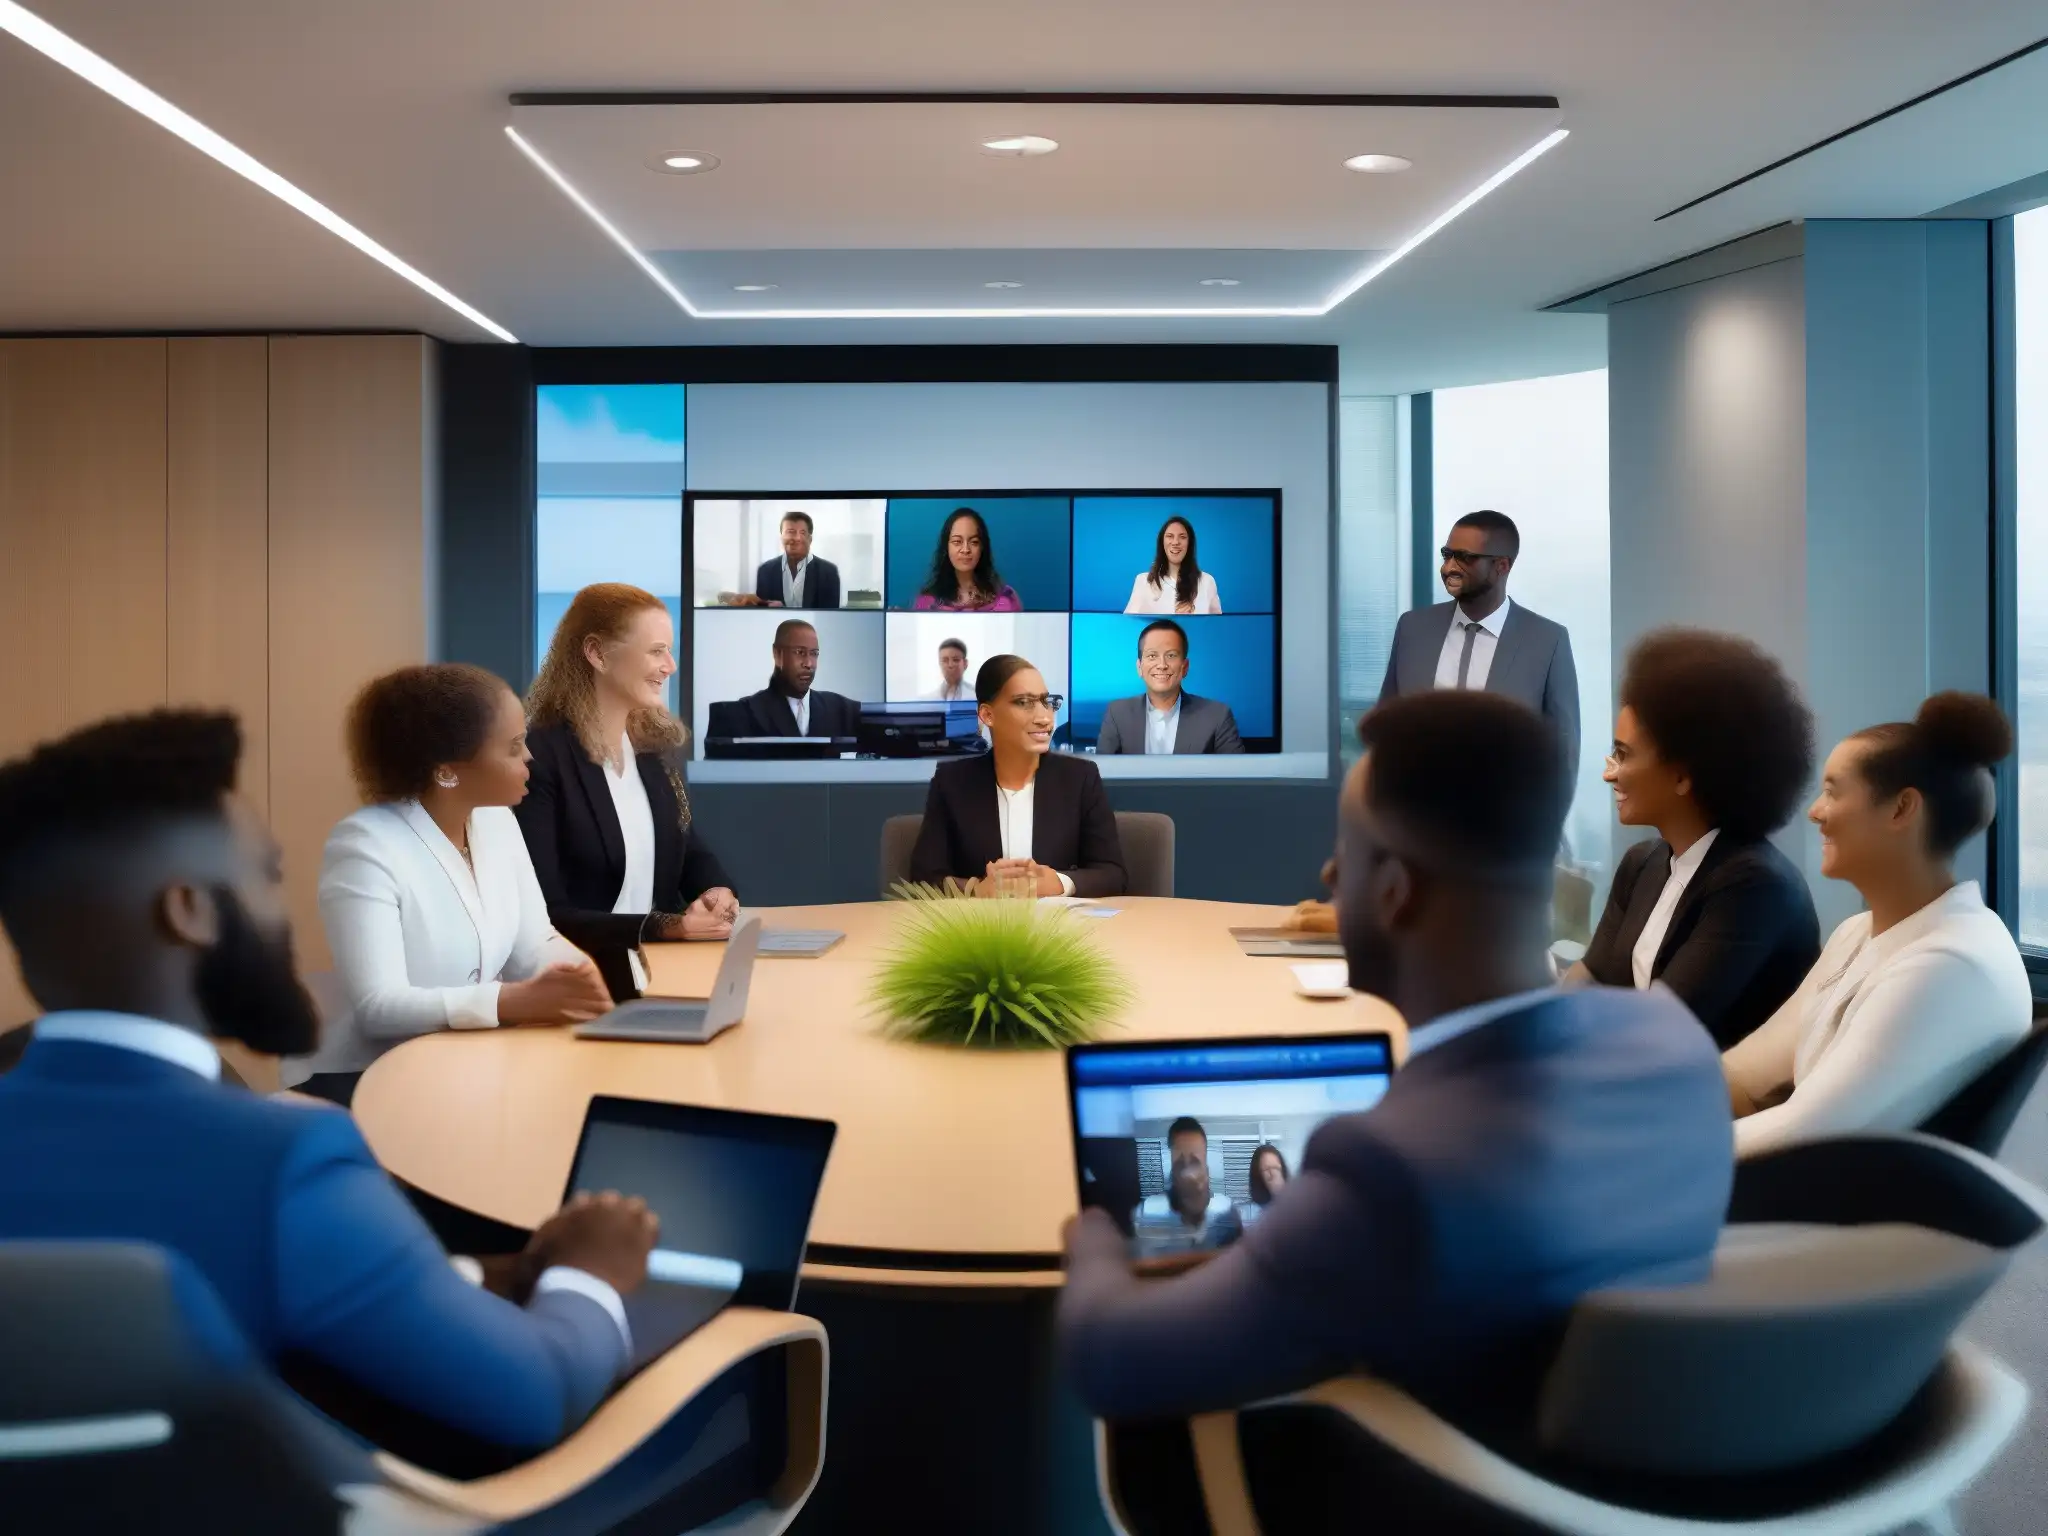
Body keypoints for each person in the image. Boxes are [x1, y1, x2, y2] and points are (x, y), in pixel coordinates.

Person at [1059, 691, 1731, 1425]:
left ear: (1392, 891)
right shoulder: (1677, 1048)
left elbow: (1113, 1359)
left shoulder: (1383, 1175)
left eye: (1345, 857)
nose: (1327, 877)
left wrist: (1090, 1234)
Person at [0, 709, 657, 1455]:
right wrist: (587, 1270)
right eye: (265, 877)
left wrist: (475, 1272)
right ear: (188, 911)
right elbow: (542, 1393)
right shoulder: (289, 1160)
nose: (284, 919)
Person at [1725, 693, 2031, 1157]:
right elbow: (1748, 1075)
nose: (1814, 811)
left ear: (1901, 809)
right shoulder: (1859, 932)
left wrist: (1643, 1148)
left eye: (1832, 790)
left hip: (1860, 1210)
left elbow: (1810, 1133)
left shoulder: (1951, 963)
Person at [304, 665, 610, 1095]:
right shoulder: (364, 845)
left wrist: (580, 982)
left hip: (471, 1067)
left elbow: (535, 943)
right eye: (514, 747)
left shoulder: (498, 821)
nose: (530, 759)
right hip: (376, 1080)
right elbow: (379, 1007)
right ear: (447, 770)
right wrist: (513, 1001)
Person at [1569, 630, 1820, 1048]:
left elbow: (1661, 1030)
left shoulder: (1754, 885)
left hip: (1718, 1106)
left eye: (1624, 755)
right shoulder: (1643, 862)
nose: (1608, 773)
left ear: (1684, 775)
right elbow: (1589, 979)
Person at [517, 584, 740, 1003]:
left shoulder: (649, 751)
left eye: (669, 651)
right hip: (585, 990)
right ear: (597, 654)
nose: (670, 665)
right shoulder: (541, 759)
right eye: (656, 651)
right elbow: (547, 914)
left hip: (659, 979)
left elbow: (688, 847)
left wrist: (717, 892)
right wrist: (666, 926)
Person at [1379, 510, 1580, 779]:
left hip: (1504, 818)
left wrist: (1546, 820)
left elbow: (1563, 752)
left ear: (1502, 566)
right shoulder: (1412, 629)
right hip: (1412, 814)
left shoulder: (1547, 641)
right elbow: (1385, 727)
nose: (1449, 567)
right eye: (1447, 554)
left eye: (1465, 558)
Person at [909, 655, 1125, 898]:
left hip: (1061, 929)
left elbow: (1112, 874)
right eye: (1024, 702)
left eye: (1046, 702)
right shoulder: (952, 782)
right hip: (980, 930)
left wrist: (1056, 882)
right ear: (988, 715)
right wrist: (976, 889)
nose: (1045, 718)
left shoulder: (1080, 778)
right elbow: (923, 877)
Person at [1093, 619, 1244, 755]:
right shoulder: (1117, 714)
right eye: (1152, 656)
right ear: (1139, 667)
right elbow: (1101, 776)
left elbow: (1236, 780)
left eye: (1171, 655)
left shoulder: (1217, 716)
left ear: (1185, 667)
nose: (1162, 665)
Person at [705, 619, 863, 740]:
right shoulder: (740, 715)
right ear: (777, 654)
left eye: (814, 653)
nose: (809, 664)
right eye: (800, 652)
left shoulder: (844, 711)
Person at [1132, 1118, 1243, 1254]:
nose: (1187, 1172)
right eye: (1180, 1163)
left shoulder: (1227, 1211)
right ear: (1172, 1164)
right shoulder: (1147, 1213)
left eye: (1195, 1162)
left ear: (1206, 1165)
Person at [912, 509, 1022, 612]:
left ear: (982, 547)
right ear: (946, 547)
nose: (965, 550)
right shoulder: (927, 602)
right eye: (957, 542)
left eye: (974, 542)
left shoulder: (1006, 599)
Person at [1124, 516, 1222, 615]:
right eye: (1170, 536)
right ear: (1162, 542)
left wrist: (1192, 617)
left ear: (1189, 543)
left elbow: (1216, 626)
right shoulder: (1144, 581)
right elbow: (1129, 624)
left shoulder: (1207, 582)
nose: (1175, 542)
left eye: (1182, 537)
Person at [752, 510, 842, 610]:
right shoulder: (765, 571)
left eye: (802, 533)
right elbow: (762, 613)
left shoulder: (828, 572)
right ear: (781, 537)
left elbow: (830, 615)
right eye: (790, 532)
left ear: (810, 539)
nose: (797, 538)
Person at [923, 638, 972, 702]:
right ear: (939, 663)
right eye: (945, 660)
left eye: (955, 660)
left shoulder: (977, 697)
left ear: (965, 664)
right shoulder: (927, 700)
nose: (950, 665)